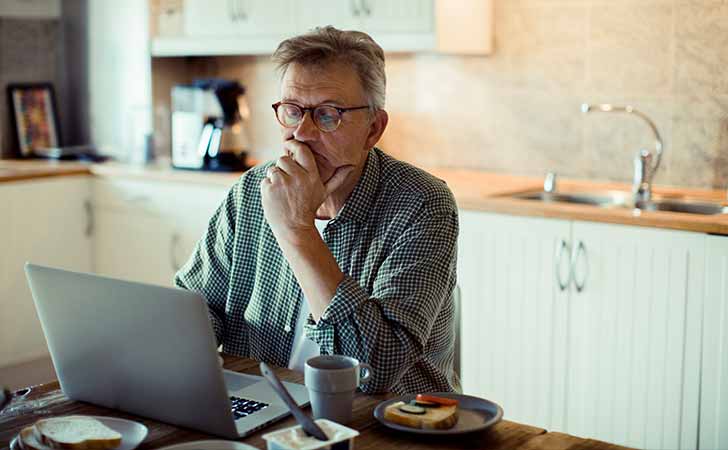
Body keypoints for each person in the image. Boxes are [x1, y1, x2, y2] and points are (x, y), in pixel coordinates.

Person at [175, 26, 459, 394]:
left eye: (328, 115)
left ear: (373, 129)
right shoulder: (251, 191)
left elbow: (374, 371)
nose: (302, 133)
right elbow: (198, 307)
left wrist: (296, 229)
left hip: (386, 424)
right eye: (293, 112)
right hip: (269, 407)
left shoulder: (422, 204)